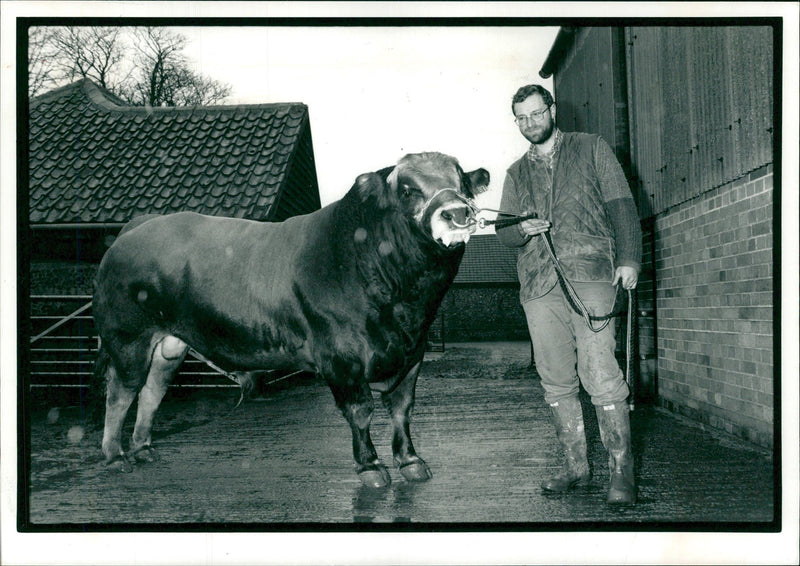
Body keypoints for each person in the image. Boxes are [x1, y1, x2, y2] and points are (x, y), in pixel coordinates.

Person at [496, 84, 642, 505]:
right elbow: (504, 230)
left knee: (600, 373)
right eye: (522, 117)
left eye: (536, 114)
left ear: (552, 110)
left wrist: (629, 259)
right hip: (539, 284)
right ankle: (576, 468)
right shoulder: (514, 173)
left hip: (591, 273)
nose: (530, 124)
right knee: (556, 379)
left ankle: (621, 473)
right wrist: (519, 229)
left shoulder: (592, 148)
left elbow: (622, 206)